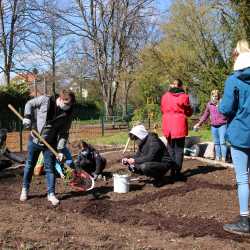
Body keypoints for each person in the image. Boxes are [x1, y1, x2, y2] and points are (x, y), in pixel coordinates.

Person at [20, 89, 75, 206]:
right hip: (35, 138)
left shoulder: (67, 114)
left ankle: (51, 194)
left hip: (50, 144)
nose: (68, 107)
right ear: (60, 99)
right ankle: (25, 189)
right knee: (30, 164)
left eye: (70, 105)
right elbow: (29, 104)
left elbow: (64, 133)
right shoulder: (45, 100)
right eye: (66, 104)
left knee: (50, 169)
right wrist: (27, 116)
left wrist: (60, 150)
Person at [219, 40, 250, 235]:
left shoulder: (234, 80)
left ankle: (245, 220)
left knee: (243, 179)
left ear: (237, 56)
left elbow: (225, 109)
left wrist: (222, 103)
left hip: (240, 134)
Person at [161, 79, 193, 178]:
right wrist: (190, 109)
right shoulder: (184, 97)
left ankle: (171, 171)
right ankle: (177, 172)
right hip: (179, 125)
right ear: (181, 86)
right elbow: (188, 112)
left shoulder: (165, 96)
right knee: (179, 150)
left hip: (168, 125)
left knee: (170, 149)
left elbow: (162, 109)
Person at [193, 90, 228, 161]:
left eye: (216, 96)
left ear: (218, 96)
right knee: (216, 142)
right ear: (211, 96)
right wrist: (199, 123)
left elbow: (227, 112)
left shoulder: (222, 103)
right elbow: (205, 115)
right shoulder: (209, 105)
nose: (215, 97)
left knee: (222, 142)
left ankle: (224, 158)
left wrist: (220, 106)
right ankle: (218, 157)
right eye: (213, 96)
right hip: (214, 126)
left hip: (222, 125)